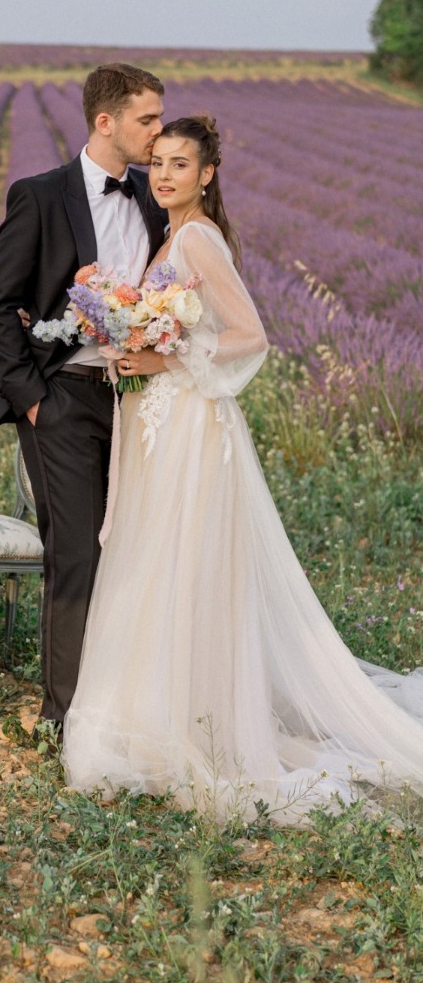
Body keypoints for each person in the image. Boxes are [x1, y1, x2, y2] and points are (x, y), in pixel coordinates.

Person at [62, 115, 423, 823]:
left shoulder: (196, 237)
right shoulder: (172, 236)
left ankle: (189, 723)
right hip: (160, 422)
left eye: (180, 165)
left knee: (180, 561)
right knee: (159, 560)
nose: (164, 175)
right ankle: (169, 711)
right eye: (157, 162)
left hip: (191, 425)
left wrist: (163, 358)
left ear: (207, 175)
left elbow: (249, 334)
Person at [0, 64, 167, 727]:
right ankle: (66, 719)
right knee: (78, 552)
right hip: (64, 397)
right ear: (104, 121)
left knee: (134, 553)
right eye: (147, 119)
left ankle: (122, 703)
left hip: (141, 400)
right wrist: (33, 398)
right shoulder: (40, 195)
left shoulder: (154, 197)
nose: (157, 132)